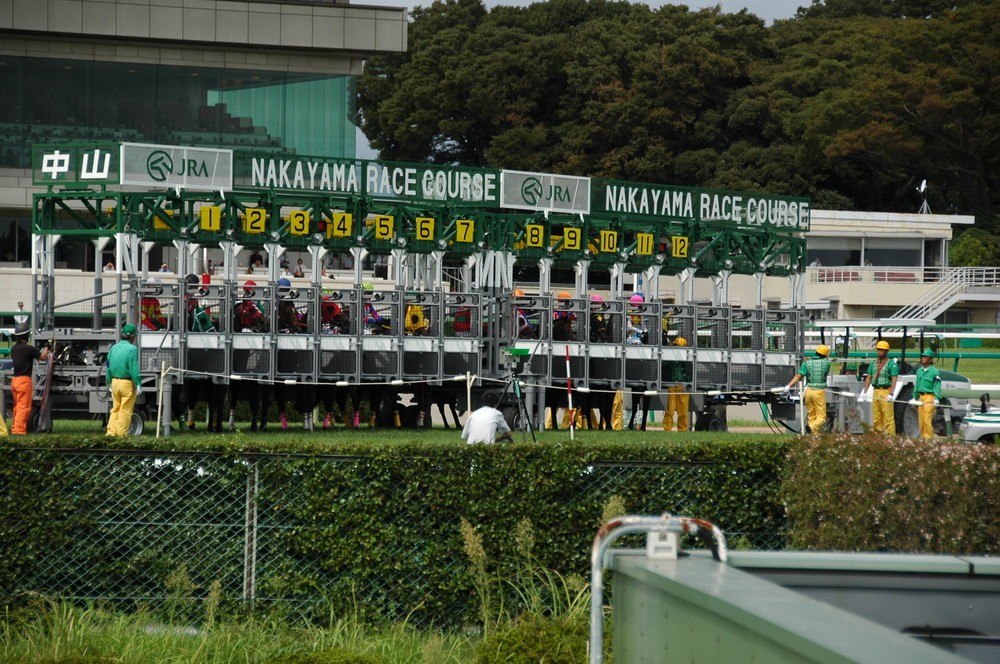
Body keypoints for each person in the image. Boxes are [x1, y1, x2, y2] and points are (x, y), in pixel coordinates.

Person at [9, 323, 49, 435]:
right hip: (24, 381)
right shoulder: (28, 349)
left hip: (15, 381)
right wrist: (47, 347)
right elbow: (43, 357)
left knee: (17, 407)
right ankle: (18, 431)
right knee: (23, 407)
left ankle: (15, 428)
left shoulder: (13, 349)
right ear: (26, 336)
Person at [784, 344, 832, 434]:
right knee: (821, 417)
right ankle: (811, 428)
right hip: (819, 392)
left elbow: (799, 376)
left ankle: (813, 436)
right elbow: (825, 372)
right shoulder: (827, 363)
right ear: (825, 355)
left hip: (808, 391)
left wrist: (788, 386)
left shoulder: (806, 363)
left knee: (811, 415)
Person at [106, 324, 142, 437]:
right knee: (125, 411)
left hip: (114, 382)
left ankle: (111, 433)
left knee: (115, 409)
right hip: (126, 383)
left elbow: (108, 366)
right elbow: (133, 368)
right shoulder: (132, 349)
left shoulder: (113, 348)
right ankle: (121, 435)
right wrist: (138, 383)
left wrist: (109, 381)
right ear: (133, 337)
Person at [862, 340, 899, 434]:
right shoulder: (873, 363)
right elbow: (869, 378)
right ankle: (878, 437)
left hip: (886, 390)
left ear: (886, 351)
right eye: (878, 349)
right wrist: (865, 392)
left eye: (882, 350)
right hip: (876, 391)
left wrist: (891, 393)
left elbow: (894, 379)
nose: (879, 351)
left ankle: (891, 437)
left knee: (888, 418)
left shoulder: (891, 364)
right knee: (876, 418)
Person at [914, 348, 941, 439]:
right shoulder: (919, 371)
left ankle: (928, 438)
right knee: (921, 420)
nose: (923, 358)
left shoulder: (934, 371)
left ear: (931, 359)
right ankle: (923, 438)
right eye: (923, 356)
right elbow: (917, 384)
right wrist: (914, 397)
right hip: (920, 397)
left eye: (926, 357)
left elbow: (937, 385)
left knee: (927, 420)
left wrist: (936, 398)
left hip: (930, 397)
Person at [664, 337, 690, 431]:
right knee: (670, 410)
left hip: (683, 386)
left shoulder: (687, 358)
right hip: (672, 385)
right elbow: (664, 364)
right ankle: (667, 429)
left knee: (683, 411)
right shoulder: (670, 358)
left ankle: (682, 430)